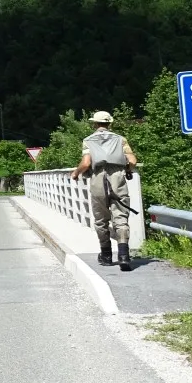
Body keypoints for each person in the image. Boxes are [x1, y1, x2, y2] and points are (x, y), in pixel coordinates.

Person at [70, 111, 138, 270]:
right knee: (120, 216)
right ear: (110, 124)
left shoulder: (88, 141)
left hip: (98, 179)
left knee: (101, 219)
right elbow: (133, 160)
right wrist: (127, 169)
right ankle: (123, 256)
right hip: (117, 178)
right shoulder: (120, 139)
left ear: (95, 124)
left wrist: (76, 173)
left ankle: (106, 255)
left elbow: (86, 163)